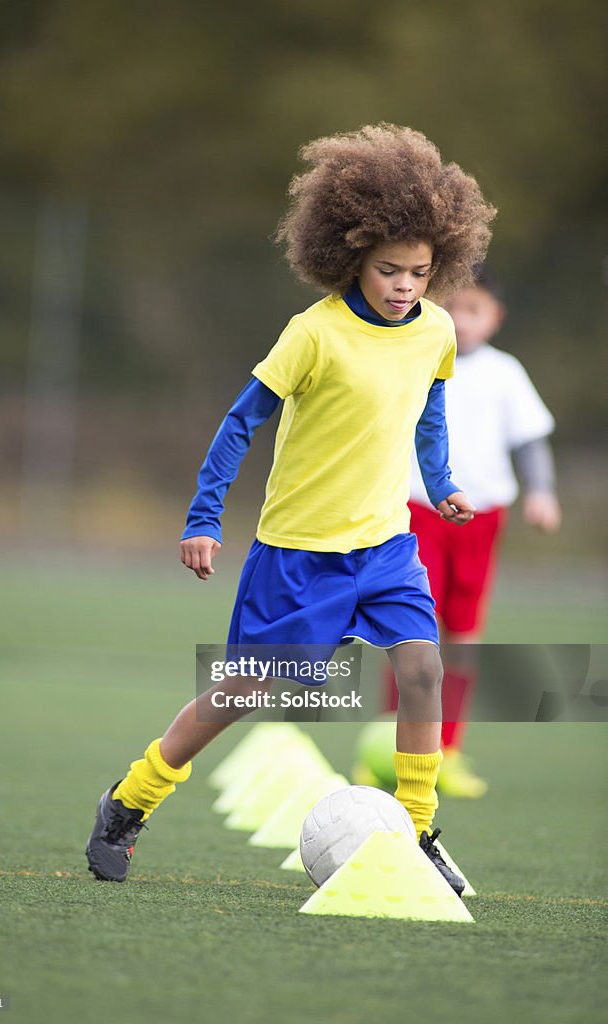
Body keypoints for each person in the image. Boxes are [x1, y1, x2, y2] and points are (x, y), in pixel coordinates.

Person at [85, 123, 496, 893]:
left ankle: (414, 832)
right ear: (349, 257)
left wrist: (438, 484)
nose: (404, 285)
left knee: (421, 670)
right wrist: (204, 518)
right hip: (297, 555)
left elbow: (428, 411)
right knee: (240, 694)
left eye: (418, 271)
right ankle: (130, 800)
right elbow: (240, 422)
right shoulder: (312, 335)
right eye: (386, 270)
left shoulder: (435, 330)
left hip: (383, 546)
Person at [361, 265, 561, 797]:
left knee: (463, 632)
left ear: (496, 318)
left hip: (480, 519)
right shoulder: (414, 354)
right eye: (453, 308)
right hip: (417, 511)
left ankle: (446, 749)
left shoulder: (506, 374)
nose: (462, 321)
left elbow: (530, 441)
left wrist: (541, 492)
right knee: (409, 627)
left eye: (474, 311)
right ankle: (387, 745)